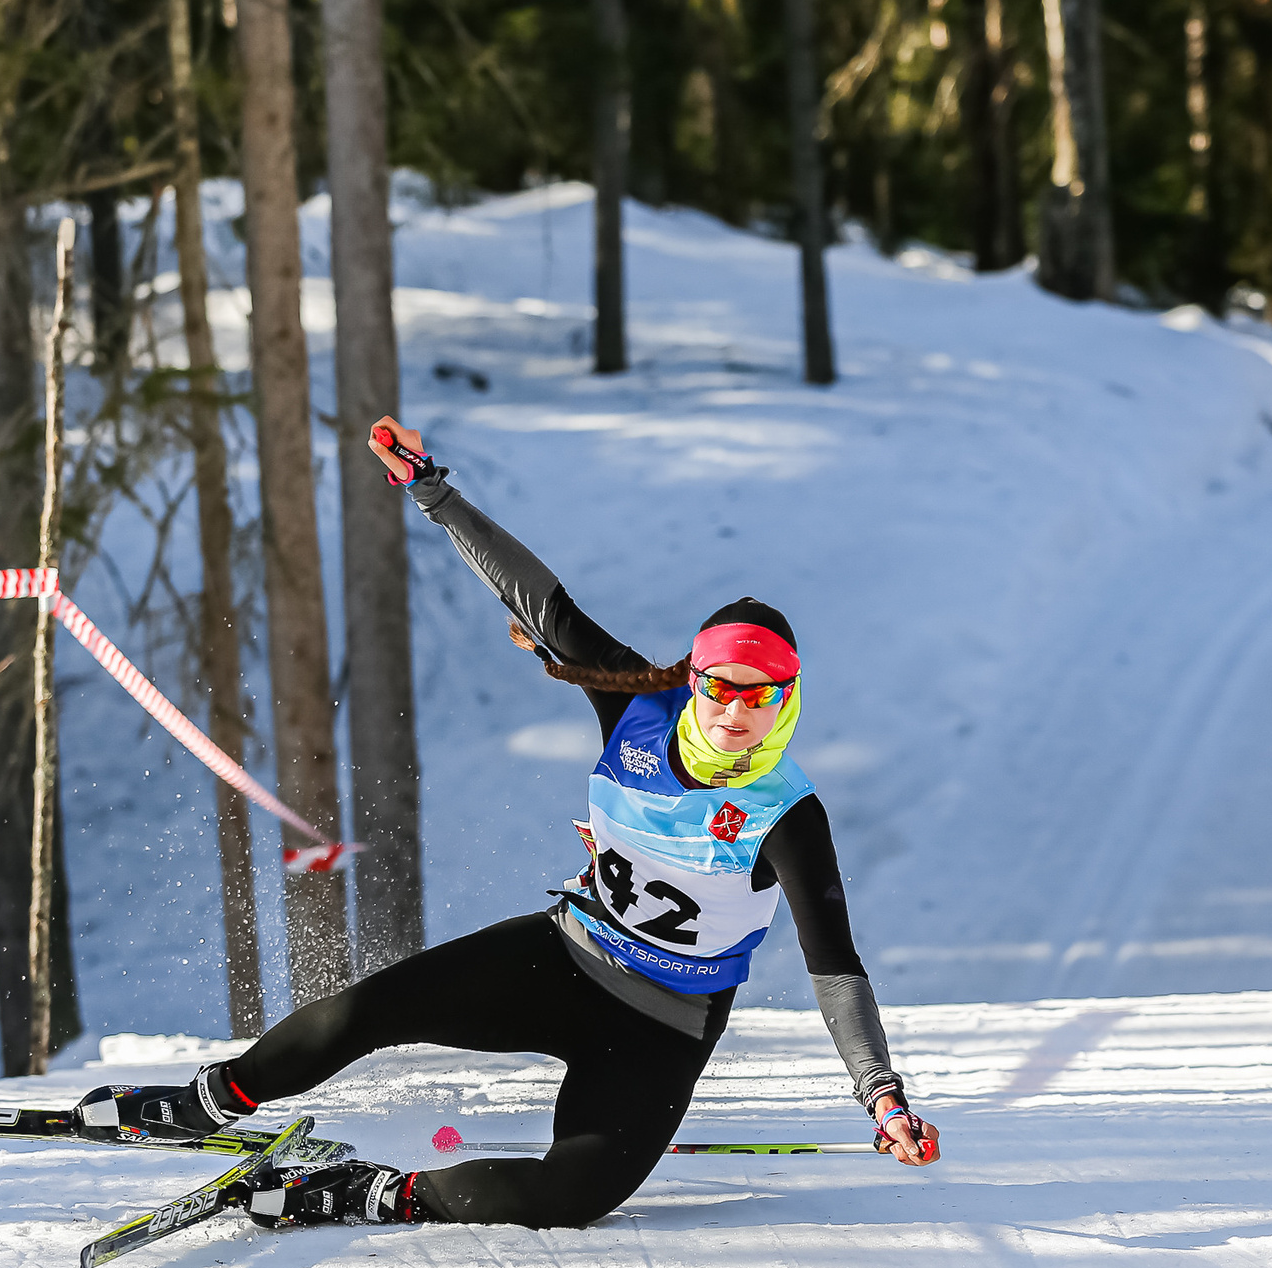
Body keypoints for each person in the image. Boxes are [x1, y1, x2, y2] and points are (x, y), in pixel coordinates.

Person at [73, 417, 939, 1225]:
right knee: (366, 1011)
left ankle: (367, 1191)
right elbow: (539, 596)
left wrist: (881, 1093)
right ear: (695, 678)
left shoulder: (787, 811)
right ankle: (207, 1101)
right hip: (563, 957)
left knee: (574, 1194)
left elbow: (836, 968)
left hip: (663, 1025)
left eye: (763, 695)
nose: (737, 711)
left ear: (787, 700)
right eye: (721, 687)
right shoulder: (636, 703)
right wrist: (433, 490)